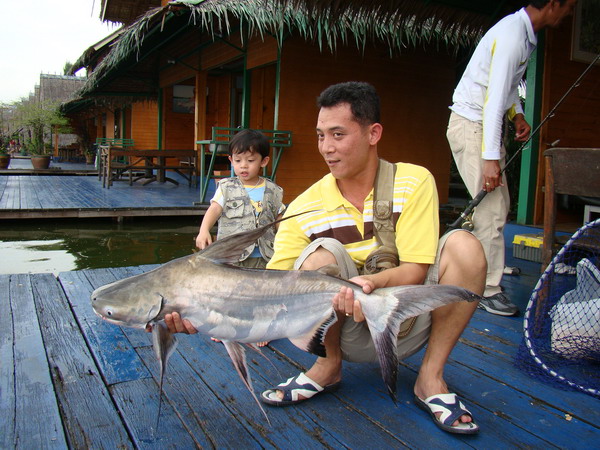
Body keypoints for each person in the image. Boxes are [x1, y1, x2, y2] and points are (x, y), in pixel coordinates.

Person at [169, 82, 487, 434]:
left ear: (373, 133)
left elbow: (417, 268)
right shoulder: (304, 206)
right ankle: (328, 365)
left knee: (465, 246)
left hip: (409, 321)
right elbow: (269, 286)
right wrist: (204, 312)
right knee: (321, 255)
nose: (327, 148)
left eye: (338, 134)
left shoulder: (414, 181)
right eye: (321, 136)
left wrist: (371, 284)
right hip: (341, 328)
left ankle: (430, 377)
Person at [447, 0, 577, 316]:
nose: (570, 13)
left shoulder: (524, 34)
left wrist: (517, 114)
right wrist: (491, 158)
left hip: (481, 128)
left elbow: (505, 91)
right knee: (491, 211)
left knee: (497, 207)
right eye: (569, 6)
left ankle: (485, 271)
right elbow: (492, 103)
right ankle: (485, 289)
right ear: (553, 4)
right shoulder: (511, 36)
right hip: (473, 126)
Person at [195, 128, 286, 346]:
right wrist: (204, 230)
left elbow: (281, 217)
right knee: (229, 292)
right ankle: (225, 326)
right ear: (231, 160)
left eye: (250, 160)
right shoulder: (226, 188)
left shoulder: (273, 190)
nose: (243, 166)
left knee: (262, 293)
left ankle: (262, 329)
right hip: (232, 254)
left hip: (264, 253)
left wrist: (286, 241)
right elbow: (214, 210)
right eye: (238, 160)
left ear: (264, 161)